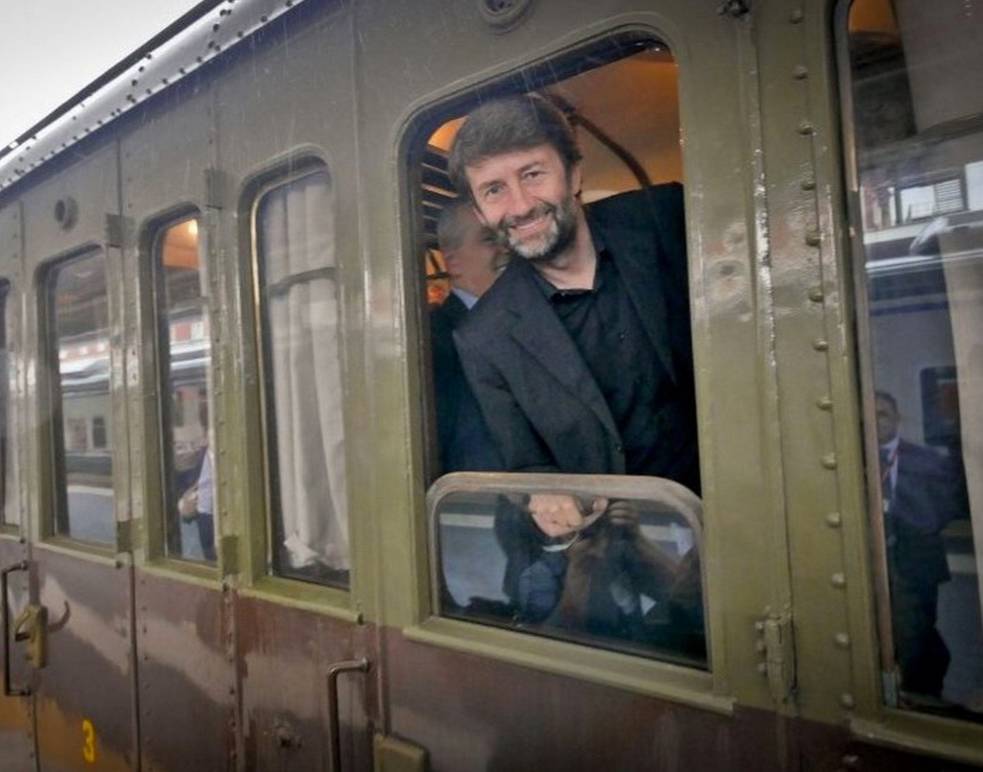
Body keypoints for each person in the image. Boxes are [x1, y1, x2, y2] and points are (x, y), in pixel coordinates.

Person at [447, 94, 701, 647]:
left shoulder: (668, 218)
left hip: (738, 527)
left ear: (575, 174)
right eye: (494, 190)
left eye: (532, 174)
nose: (519, 205)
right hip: (619, 567)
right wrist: (543, 498)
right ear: (480, 211)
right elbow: (526, 465)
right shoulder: (482, 337)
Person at [875, 391, 966, 703]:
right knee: (896, 631)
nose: (876, 421)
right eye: (870, 416)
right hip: (879, 563)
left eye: (883, 414)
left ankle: (920, 693)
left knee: (916, 630)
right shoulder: (857, 462)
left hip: (916, 562)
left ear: (897, 419)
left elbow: (948, 507)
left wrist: (912, 519)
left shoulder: (926, 460)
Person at [430, 200, 505, 472]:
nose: (506, 248)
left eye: (506, 236)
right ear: (453, 262)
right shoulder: (436, 339)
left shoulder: (523, 321)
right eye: (490, 239)